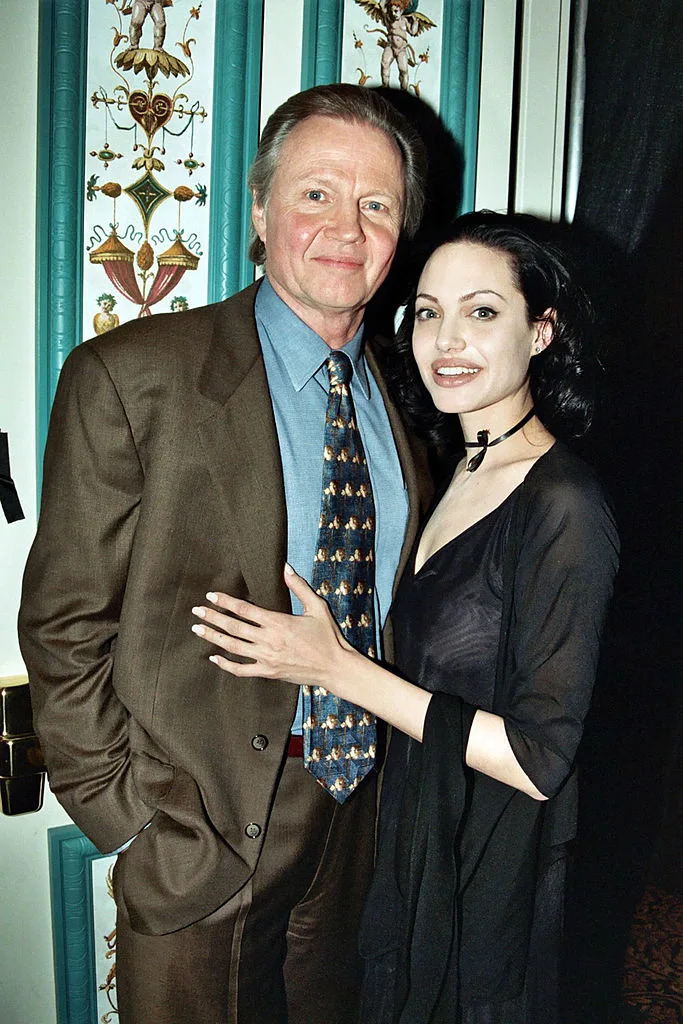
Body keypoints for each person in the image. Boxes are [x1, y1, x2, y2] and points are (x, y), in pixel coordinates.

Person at [18, 84, 428, 1024]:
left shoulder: (405, 403)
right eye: (316, 193)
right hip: (195, 824)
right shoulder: (132, 377)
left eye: (376, 204)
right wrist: (128, 820)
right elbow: (63, 622)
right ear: (259, 209)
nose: (346, 228)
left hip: (353, 814)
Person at [190, 212, 620, 1022]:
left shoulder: (564, 504)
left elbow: (538, 758)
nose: (446, 340)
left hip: (488, 861)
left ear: (541, 331)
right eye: (427, 312)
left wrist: (333, 668)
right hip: (415, 832)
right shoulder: (450, 470)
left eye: (482, 311)